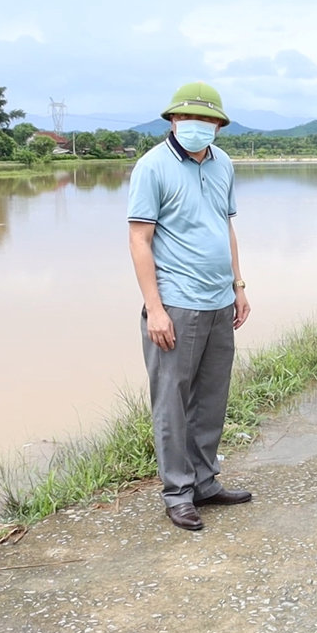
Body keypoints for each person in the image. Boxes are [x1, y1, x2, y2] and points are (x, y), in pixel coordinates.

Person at [127, 81, 253, 531]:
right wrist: (154, 309)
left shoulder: (223, 165)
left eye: (207, 120)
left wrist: (238, 285)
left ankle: (205, 482)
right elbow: (139, 240)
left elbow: (226, 228)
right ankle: (177, 492)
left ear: (218, 125)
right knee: (172, 403)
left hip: (220, 301)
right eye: (188, 118)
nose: (198, 126)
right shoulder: (152, 167)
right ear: (173, 121)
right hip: (177, 303)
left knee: (212, 399)